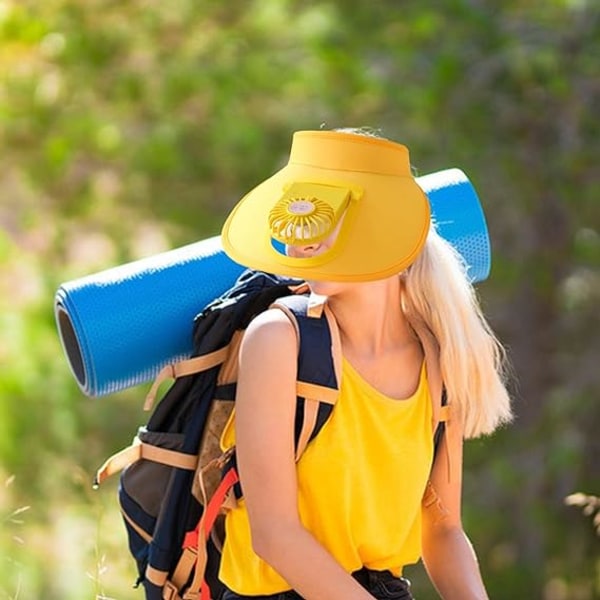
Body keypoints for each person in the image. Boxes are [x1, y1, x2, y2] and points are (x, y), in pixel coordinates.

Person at [217, 129, 513, 600]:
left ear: (381, 227)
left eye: (323, 212)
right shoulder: (278, 341)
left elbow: (443, 530)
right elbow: (275, 536)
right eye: (297, 210)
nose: (300, 235)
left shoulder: (439, 363)